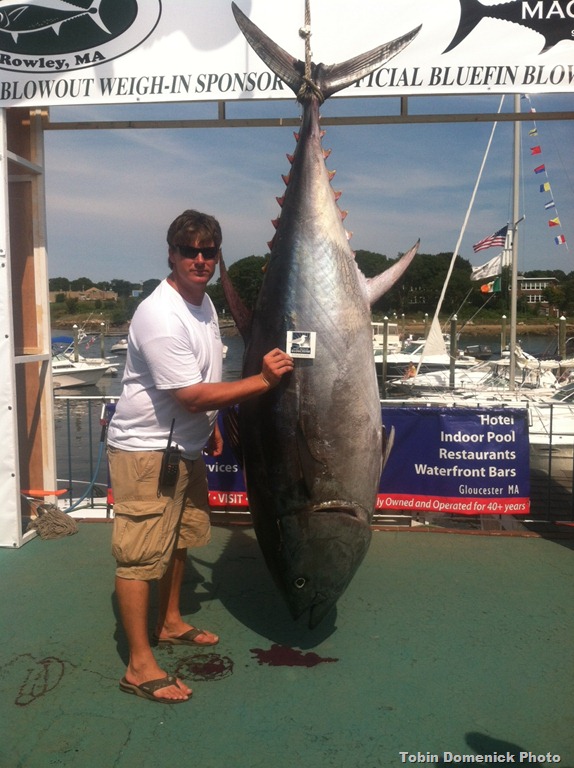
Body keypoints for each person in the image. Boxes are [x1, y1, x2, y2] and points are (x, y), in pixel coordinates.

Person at [107, 209, 294, 703]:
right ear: (171, 254)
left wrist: (209, 429)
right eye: (188, 251)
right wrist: (264, 381)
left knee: (179, 538)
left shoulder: (204, 303)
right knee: (139, 556)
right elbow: (190, 395)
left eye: (208, 252)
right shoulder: (160, 314)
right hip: (147, 452)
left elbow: (203, 381)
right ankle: (139, 666)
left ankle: (169, 621)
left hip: (185, 447)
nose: (199, 260)